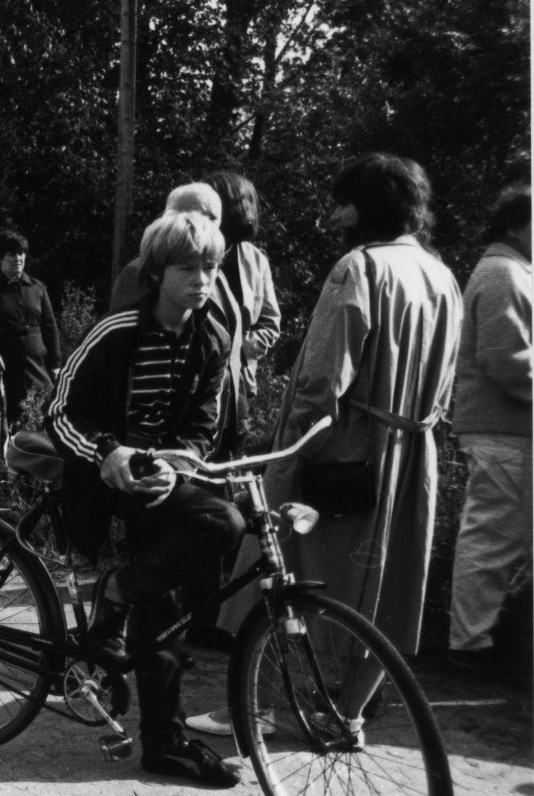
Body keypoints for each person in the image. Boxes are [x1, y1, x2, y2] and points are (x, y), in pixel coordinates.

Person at [192, 153, 462, 736]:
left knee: (279, 565)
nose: (336, 214)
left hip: (342, 449)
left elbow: (321, 380)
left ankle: (258, 708)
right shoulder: (442, 275)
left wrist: (288, 454)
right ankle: (350, 715)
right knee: (389, 583)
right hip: (412, 453)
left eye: (343, 201)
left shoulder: (359, 268)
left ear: (366, 207)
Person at [46, 210, 245, 787]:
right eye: (187, 267)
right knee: (223, 523)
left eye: (210, 266)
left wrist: (175, 464)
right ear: (156, 273)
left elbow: (203, 427)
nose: (202, 279)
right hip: (98, 484)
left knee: (166, 612)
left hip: (157, 484)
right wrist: (108, 452)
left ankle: (162, 741)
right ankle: (117, 591)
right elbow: (60, 412)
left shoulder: (212, 337)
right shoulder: (116, 332)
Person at [447, 184, 531, 675]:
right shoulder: (503, 273)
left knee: (503, 536)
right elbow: (506, 362)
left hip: (514, 430)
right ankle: (469, 645)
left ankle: (491, 637)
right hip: (504, 431)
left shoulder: (516, 271)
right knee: (494, 536)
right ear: (517, 224)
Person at [197, 171, 280, 460]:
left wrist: (240, 349)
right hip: (195, 383)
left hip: (239, 386)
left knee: (230, 460)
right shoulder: (190, 253)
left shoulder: (256, 261)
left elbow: (270, 322)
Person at [0, 230, 62, 441]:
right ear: (0, 258)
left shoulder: (37, 288)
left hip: (34, 366)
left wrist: (55, 363)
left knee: (40, 415)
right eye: (11, 254)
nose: (18, 259)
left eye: (21, 253)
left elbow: (50, 328)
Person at [109, 183, 223, 311]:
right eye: (186, 268)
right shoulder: (138, 272)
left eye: (213, 218)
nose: (204, 225)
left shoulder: (214, 271)